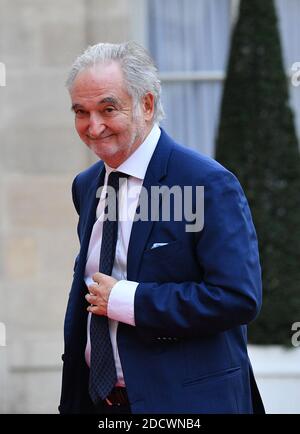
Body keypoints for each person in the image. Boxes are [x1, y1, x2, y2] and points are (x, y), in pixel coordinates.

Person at [59, 41, 265, 414]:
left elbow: (237, 297)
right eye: (81, 112)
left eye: (108, 109)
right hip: (99, 403)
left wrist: (128, 300)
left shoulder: (206, 183)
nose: (94, 126)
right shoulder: (86, 185)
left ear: (147, 105)